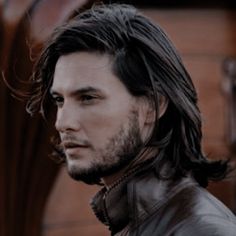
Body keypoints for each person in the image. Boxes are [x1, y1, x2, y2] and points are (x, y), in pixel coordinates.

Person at [26, 3, 236, 236]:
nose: (62, 122)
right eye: (60, 100)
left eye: (87, 98)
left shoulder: (203, 231)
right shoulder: (137, 219)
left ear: (152, 108)